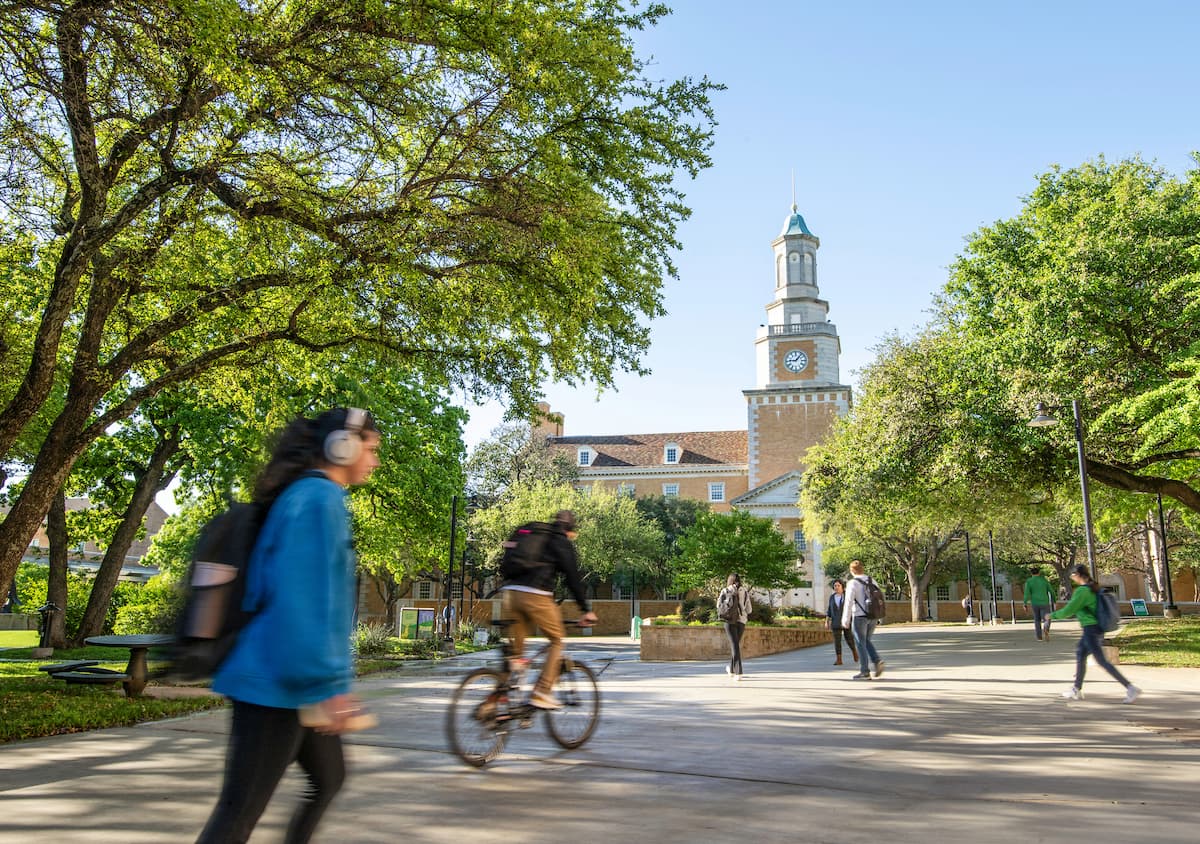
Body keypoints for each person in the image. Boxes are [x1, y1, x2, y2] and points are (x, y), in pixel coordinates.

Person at [197, 407, 381, 844]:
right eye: (371, 449)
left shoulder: (313, 498)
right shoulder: (317, 501)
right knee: (237, 814)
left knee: (329, 778)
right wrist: (327, 684)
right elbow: (301, 601)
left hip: (295, 682)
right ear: (343, 446)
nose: (374, 461)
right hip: (275, 683)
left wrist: (330, 681)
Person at [500, 510, 598, 709]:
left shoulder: (534, 532)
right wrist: (585, 610)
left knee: (516, 656)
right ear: (570, 531)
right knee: (556, 640)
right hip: (535, 595)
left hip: (510, 593)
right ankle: (542, 692)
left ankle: (498, 700)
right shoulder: (560, 541)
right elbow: (572, 577)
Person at [1050, 564, 1140, 703]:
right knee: (1080, 653)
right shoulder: (1094, 588)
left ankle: (1130, 687)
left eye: (1072, 576)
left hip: (1090, 629)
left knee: (1102, 661)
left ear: (1077, 575)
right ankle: (1076, 689)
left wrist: (1051, 616)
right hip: (1095, 628)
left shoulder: (1082, 591)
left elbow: (1069, 610)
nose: (1072, 578)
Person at [842, 560, 885, 679]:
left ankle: (865, 671)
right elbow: (879, 599)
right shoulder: (872, 580)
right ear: (863, 569)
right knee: (866, 641)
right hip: (873, 616)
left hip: (860, 616)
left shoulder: (852, 583)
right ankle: (877, 661)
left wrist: (845, 619)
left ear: (851, 571)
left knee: (861, 643)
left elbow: (849, 601)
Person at [718, 573, 753, 681]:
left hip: (729, 620)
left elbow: (718, 605)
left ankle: (738, 673)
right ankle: (732, 670)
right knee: (736, 646)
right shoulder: (745, 591)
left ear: (730, 580)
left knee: (734, 646)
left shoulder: (725, 590)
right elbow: (749, 610)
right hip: (741, 621)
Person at [825, 579, 858, 666]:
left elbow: (853, 607)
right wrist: (827, 621)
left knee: (849, 638)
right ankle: (839, 659)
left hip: (846, 621)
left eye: (838, 585)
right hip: (835, 622)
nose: (836, 587)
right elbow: (829, 610)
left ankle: (854, 652)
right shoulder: (832, 597)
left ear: (842, 587)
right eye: (835, 586)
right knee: (837, 641)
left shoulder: (847, 596)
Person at [1022, 566, 1054, 642]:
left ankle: (1039, 637)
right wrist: (1054, 600)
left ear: (1031, 573)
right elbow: (1051, 591)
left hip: (1035, 602)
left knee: (1037, 620)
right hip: (1044, 602)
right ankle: (1046, 628)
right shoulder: (1044, 580)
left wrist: (1025, 603)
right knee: (1047, 618)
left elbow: (1026, 593)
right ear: (1039, 573)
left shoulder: (1029, 581)